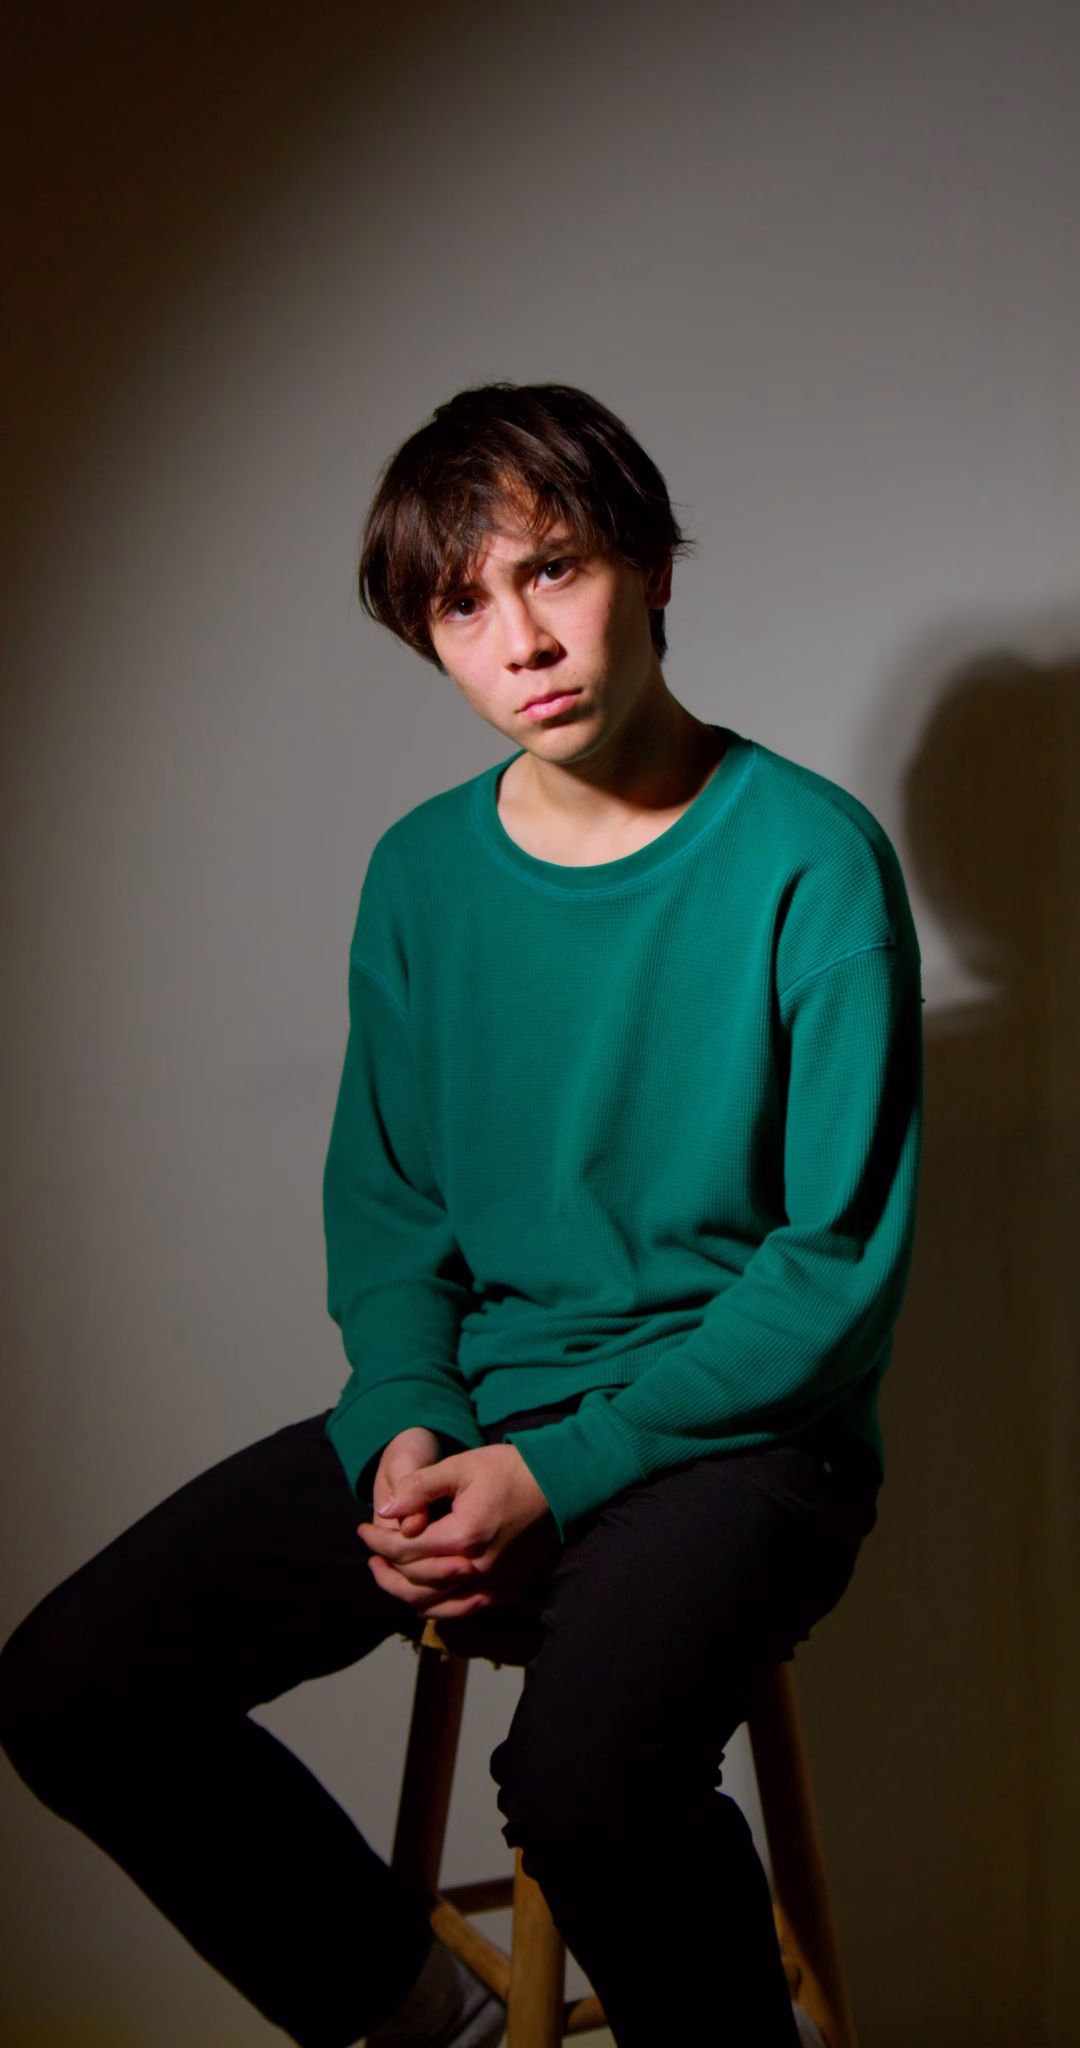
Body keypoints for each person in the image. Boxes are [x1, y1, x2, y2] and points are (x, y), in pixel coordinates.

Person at [0, 383, 922, 2048]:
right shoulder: (422, 874)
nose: (523, 641)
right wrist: (407, 1427)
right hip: (487, 1403)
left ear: (649, 567)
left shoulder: (809, 858)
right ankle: (430, 2015)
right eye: (462, 604)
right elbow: (395, 1213)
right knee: (73, 1682)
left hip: (747, 1438)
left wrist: (558, 1474)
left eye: (555, 570)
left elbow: (830, 1274)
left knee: (584, 1781)